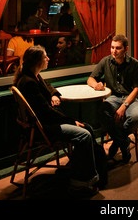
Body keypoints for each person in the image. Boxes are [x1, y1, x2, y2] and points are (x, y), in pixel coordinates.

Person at [13, 45, 99, 196]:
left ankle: (79, 169)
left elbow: (48, 87)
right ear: (37, 61)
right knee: (84, 134)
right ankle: (81, 180)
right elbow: (46, 113)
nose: (48, 59)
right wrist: (72, 121)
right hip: (42, 129)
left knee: (87, 128)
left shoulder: (33, 76)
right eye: (45, 57)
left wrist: (53, 94)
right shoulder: (29, 82)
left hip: (42, 124)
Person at [87, 35, 138, 163]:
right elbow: (90, 79)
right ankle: (123, 143)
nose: (114, 51)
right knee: (102, 112)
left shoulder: (135, 64)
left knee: (136, 117)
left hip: (130, 98)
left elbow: (137, 89)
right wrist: (96, 85)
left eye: (118, 48)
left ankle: (116, 143)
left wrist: (124, 106)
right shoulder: (105, 61)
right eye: (112, 47)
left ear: (126, 49)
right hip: (113, 97)